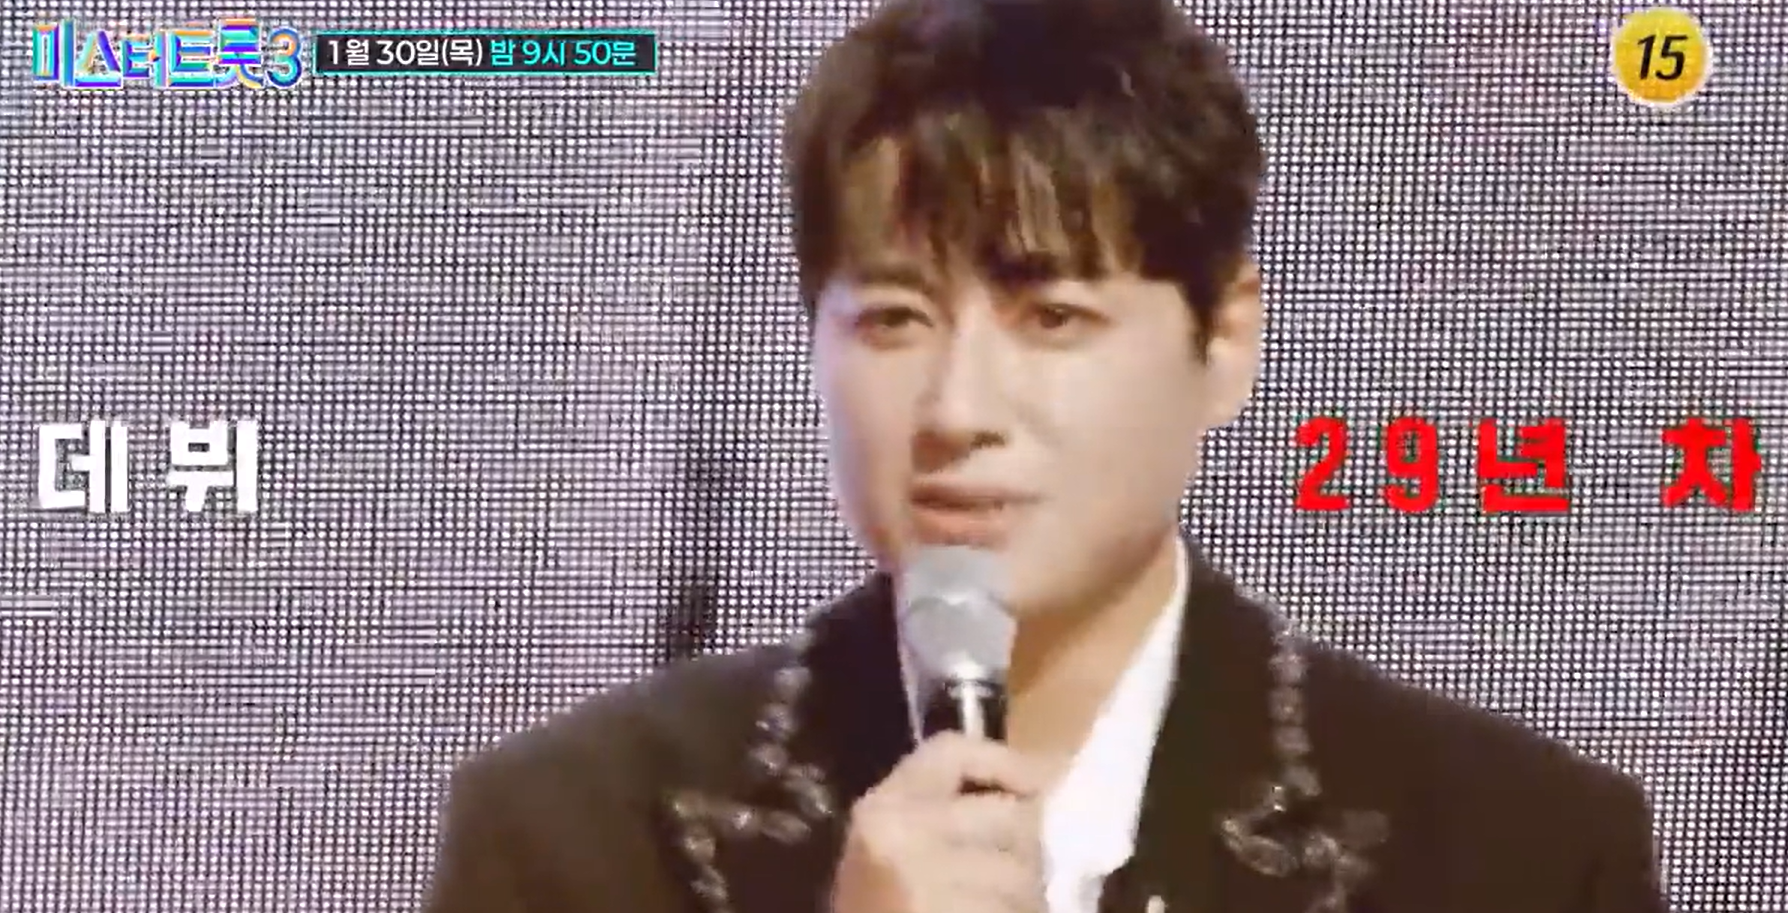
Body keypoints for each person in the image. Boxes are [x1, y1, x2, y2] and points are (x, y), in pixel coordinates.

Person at [421, 0, 1668, 911]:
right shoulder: (574, 840)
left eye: (1052, 316)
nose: (957, 408)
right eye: (894, 319)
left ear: (1226, 338)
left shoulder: (1519, 854)